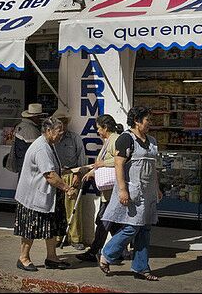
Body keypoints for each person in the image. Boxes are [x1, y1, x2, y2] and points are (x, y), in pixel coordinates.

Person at [99, 106, 162, 281]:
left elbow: (153, 168)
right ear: (137, 120)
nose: (150, 123)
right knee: (133, 226)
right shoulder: (126, 139)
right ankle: (107, 253)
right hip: (133, 191)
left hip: (148, 193)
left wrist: (157, 188)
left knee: (145, 228)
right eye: (147, 120)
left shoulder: (152, 141)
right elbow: (119, 165)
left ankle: (141, 267)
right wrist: (122, 190)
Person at [13, 117, 78, 272]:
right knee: (31, 229)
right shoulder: (41, 148)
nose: (61, 135)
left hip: (47, 196)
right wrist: (67, 188)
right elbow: (49, 175)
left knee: (52, 227)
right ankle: (23, 258)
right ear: (48, 131)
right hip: (33, 197)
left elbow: (54, 170)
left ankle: (52, 257)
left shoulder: (49, 144)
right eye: (59, 132)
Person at [76, 114, 124, 263]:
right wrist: (93, 171)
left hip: (112, 192)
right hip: (109, 192)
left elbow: (120, 160)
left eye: (98, 128)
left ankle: (94, 251)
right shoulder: (108, 141)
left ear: (106, 127)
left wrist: (102, 164)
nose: (98, 131)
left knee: (103, 221)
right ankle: (119, 251)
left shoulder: (115, 140)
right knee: (112, 223)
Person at [52, 109, 87, 251]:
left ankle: (75, 238)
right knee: (56, 208)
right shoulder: (51, 139)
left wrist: (78, 175)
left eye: (65, 122)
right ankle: (59, 237)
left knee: (73, 208)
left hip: (71, 174)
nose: (63, 125)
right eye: (60, 122)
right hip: (55, 175)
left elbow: (82, 158)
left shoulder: (74, 138)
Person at [9, 103, 46, 173]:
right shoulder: (31, 130)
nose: (40, 119)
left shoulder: (20, 126)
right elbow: (36, 150)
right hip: (28, 166)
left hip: (21, 163)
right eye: (39, 117)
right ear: (34, 117)